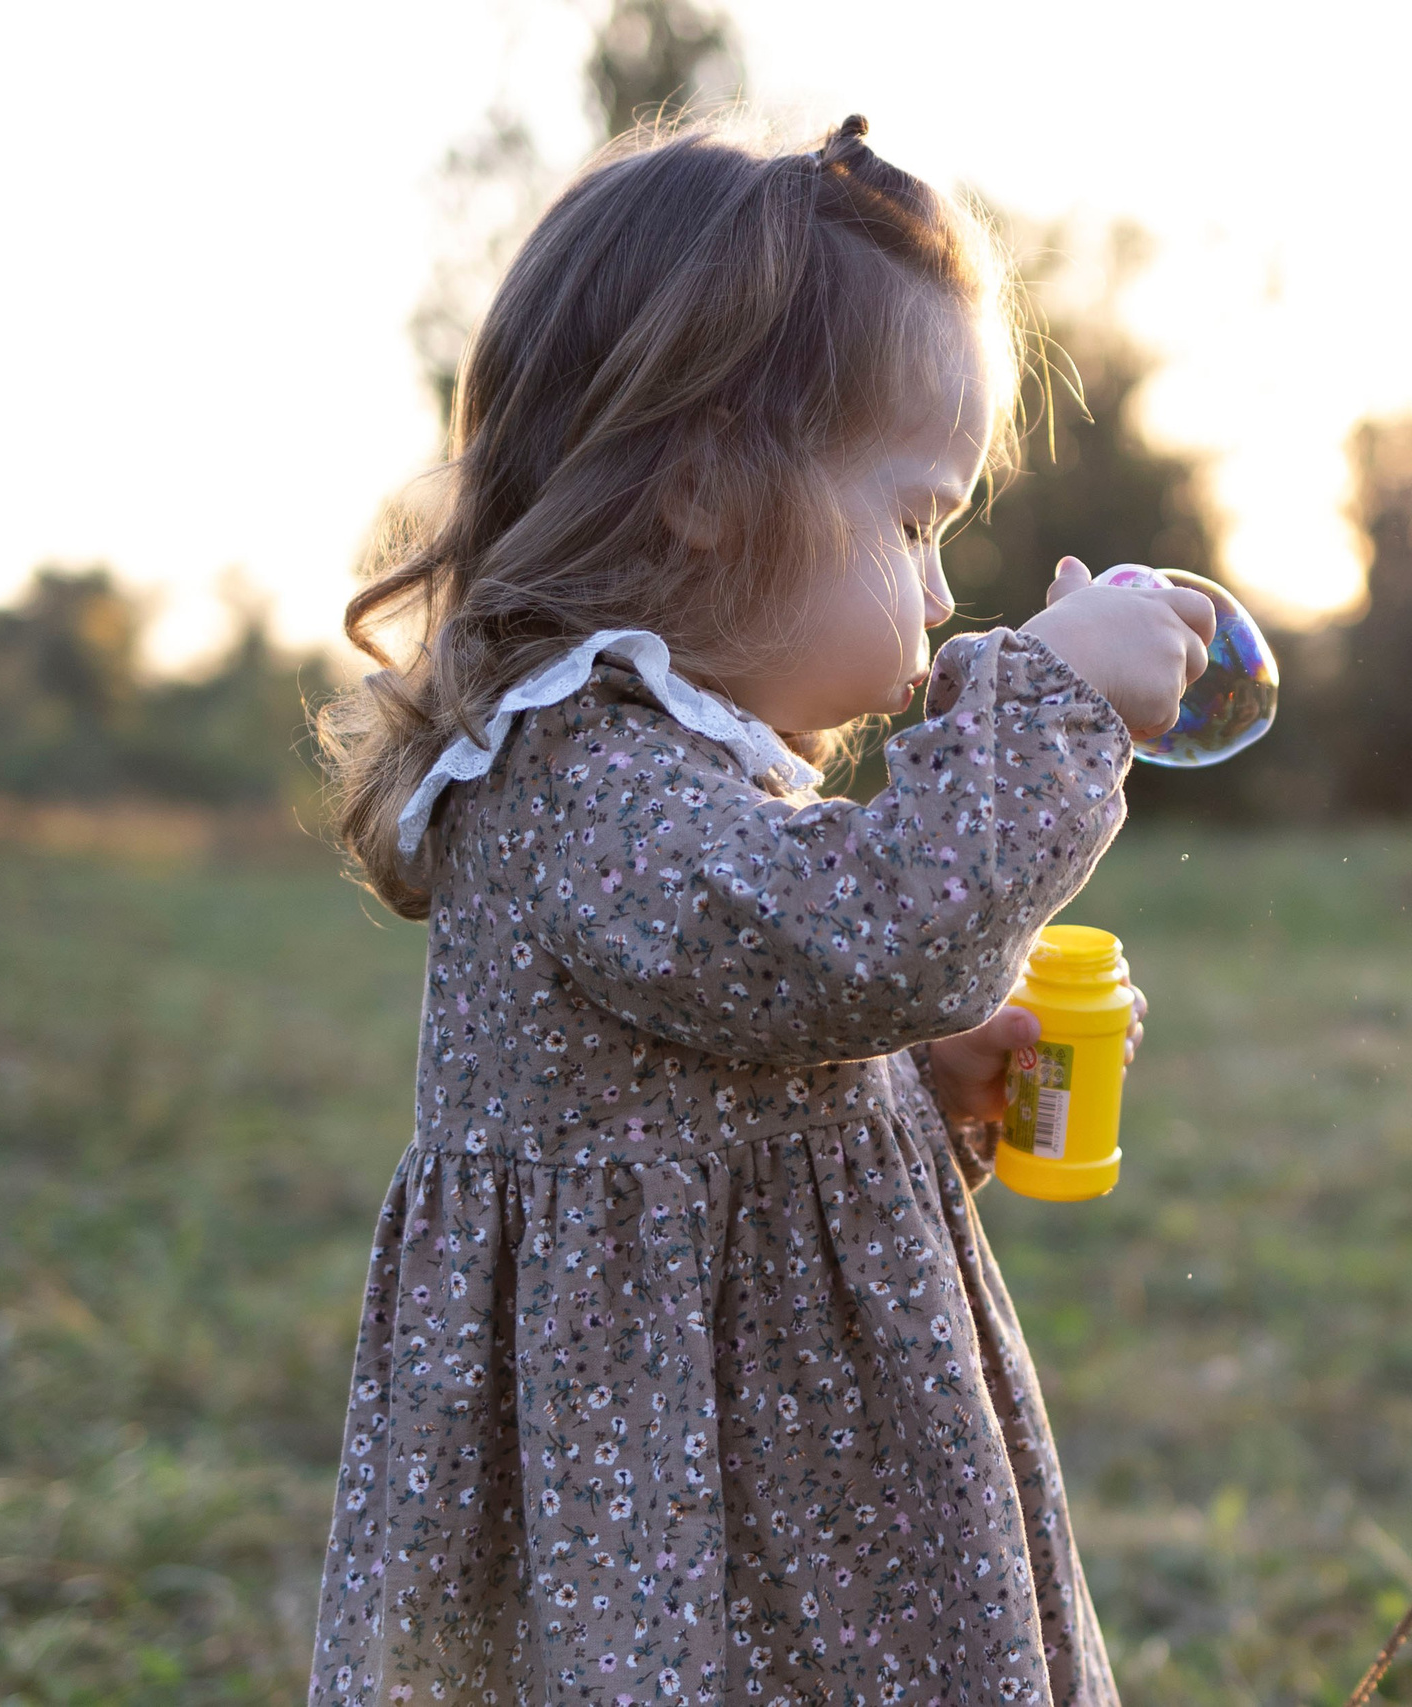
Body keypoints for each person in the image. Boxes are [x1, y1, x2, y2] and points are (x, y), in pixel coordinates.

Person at [309, 115, 1214, 1707]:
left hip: (749, 1461)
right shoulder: (583, 769)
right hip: (664, 1508)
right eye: (919, 521)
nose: (941, 598)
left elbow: (733, 1065)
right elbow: (867, 936)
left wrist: (906, 1093)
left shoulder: (672, 768)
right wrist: (1058, 705)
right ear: (709, 490)